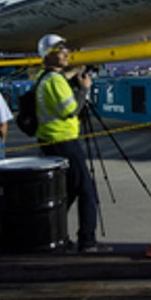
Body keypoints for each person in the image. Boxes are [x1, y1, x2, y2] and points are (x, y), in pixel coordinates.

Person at [35, 33, 107, 253]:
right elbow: (71, 110)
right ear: (48, 55)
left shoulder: (45, 77)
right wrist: (84, 89)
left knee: (67, 191)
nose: (66, 53)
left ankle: (50, 233)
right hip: (63, 141)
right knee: (87, 191)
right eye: (60, 50)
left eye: (66, 49)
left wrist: (74, 78)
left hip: (52, 141)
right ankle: (87, 241)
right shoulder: (55, 81)